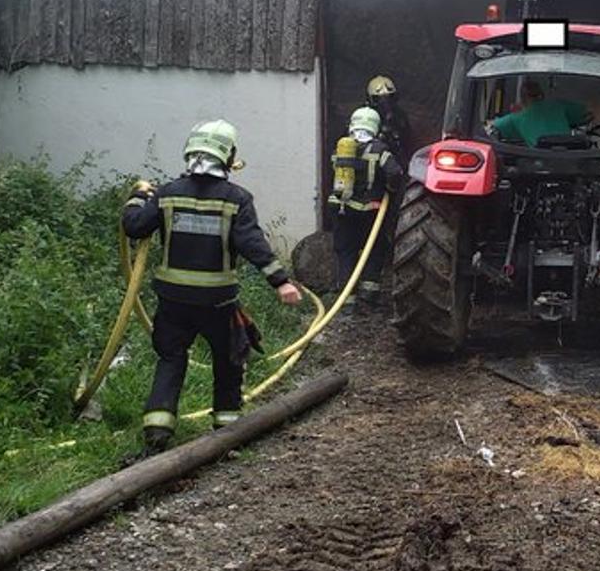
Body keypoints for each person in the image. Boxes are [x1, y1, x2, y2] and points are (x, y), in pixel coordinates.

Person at [122, 120, 301, 455]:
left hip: (173, 300)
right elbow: (252, 243)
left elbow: (134, 227)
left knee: (171, 359)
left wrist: (136, 199)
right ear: (228, 155)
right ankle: (227, 431)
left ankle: (158, 430)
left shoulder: (167, 193)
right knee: (228, 361)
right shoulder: (237, 199)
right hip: (218, 303)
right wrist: (281, 282)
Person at [328, 107, 404, 299]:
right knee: (375, 249)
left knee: (346, 252)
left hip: (341, 208)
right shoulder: (379, 149)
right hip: (370, 211)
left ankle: (347, 300)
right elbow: (395, 173)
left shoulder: (342, 147)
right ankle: (369, 295)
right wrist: (390, 190)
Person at [488, 79, 591, 147]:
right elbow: (588, 115)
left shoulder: (515, 118)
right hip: (570, 157)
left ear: (522, 99)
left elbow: (490, 129)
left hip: (539, 161)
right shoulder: (559, 105)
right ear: (542, 95)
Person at [366, 75, 412, 161]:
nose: (385, 103)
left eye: (389, 98)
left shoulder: (400, 116)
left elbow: (408, 141)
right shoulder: (364, 116)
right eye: (378, 99)